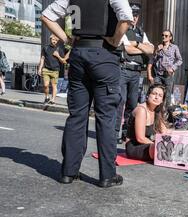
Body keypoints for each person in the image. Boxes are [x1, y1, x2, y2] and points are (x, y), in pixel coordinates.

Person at [41, 0, 134, 188]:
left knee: (77, 116)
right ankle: (107, 175)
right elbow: (126, 17)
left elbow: (46, 16)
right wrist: (115, 40)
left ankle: (68, 172)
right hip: (103, 54)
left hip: (78, 54)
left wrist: (67, 39)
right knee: (106, 117)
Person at [116, 3, 154, 144]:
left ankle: (127, 134)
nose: (134, 18)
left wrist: (137, 44)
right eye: (132, 14)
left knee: (132, 104)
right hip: (124, 70)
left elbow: (151, 49)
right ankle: (115, 134)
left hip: (136, 72)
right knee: (120, 102)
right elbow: (127, 50)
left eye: (136, 15)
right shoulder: (122, 29)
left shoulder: (141, 32)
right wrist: (142, 48)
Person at [125, 85, 169, 161]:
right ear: (148, 95)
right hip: (134, 146)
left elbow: (164, 132)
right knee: (159, 149)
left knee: (170, 146)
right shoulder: (141, 110)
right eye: (154, 94)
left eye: (160, 96)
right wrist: (157, 145)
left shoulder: (157, 111)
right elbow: (140, 138)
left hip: (148, 144)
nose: (156, 97)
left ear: (162, 100)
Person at [150, 30, 183, 109]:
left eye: (166, 36)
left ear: (170, 37)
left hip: (167, 75)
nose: (164, 37)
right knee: (156, 93)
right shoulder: (159, 46)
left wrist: (173, 68)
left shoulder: (174, 47)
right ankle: (156, 111)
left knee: (167, 95)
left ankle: (166, 114)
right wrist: (156, 51)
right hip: (158, 74)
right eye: (163, 35)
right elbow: (153, 60)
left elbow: (180, 60)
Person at [38, 34, 69, 105]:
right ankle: (46, 97)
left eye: (56, 40)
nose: (54, 41)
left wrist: (58, 56)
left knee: (54, 86)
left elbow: (64, 61)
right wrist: (40, 69)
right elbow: (42, 59)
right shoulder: (45, 48)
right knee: (45, 85)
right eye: (53, 40)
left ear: (57, 41)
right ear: (50, 40)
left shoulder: (59, 49)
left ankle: (53, 100)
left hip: (55, 70)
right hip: (46, 69)